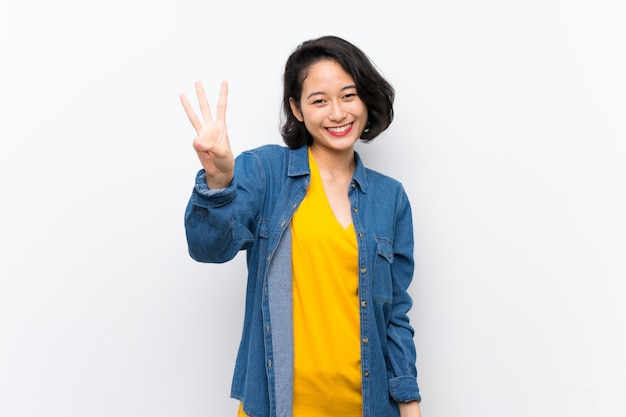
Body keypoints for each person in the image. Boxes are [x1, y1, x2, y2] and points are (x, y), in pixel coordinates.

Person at [179, 35, 422, 417]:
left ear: (365, 99)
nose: (338, 113)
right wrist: (219, 183)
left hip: (368, 406)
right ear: (297, 109)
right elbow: (207, 248)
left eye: (348, 95)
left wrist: (409, 403)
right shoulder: (267, 172)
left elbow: (395, 315)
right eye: (319, 100)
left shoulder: (389, 198)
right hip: (276, 405)